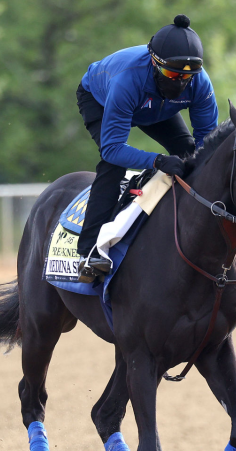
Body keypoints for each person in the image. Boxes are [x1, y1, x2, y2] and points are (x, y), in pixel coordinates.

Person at [74, 14, 219, 282]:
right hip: (102, 98)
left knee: (190, 154)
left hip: (156, 106)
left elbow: (207, 144)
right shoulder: (127, 80)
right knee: (113, 166)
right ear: (154, 63)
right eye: (173, 73)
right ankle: (88, 252)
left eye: (188, 76)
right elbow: (113, 149)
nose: (180, 82)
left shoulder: (199, 83)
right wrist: (157, 161)